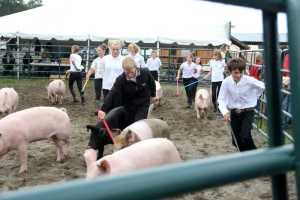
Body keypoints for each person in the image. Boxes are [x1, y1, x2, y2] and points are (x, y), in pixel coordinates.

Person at [86, 57, 156, 158]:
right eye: (126, 72)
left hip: (142, 104)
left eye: (131, 71)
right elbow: (112, 93)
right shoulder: (121, 79)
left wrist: (153, 95)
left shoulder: (145, 72)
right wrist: (103, 109)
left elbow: (152, 82)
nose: (129, 74)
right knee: (124, 125)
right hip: (128, 105)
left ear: (135, 68)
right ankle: (122, 147)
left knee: (137, 125)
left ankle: (137, 151)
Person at [218, 58, 265, 151]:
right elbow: (221, 99)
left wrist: (255, 96)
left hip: (248, 111)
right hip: (234, 112)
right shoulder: (226, 82)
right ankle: (246, 156)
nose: (238, 75)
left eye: (240, 72)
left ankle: (255, 155)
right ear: (230, 71)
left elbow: (262, 86)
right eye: (235, 72)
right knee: (235, 140)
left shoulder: (249, 80)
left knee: (245, 136)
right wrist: (225, 112)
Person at [86, 44, 107, 110]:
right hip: (97, 78)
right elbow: (92, 69)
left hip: (106, 79)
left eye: (99, 50)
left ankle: (105, 108)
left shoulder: (107, 59)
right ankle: (97, 109)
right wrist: (88, 74)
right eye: (97, 50)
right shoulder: (96, 60)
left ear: (104, 51)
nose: (98, 52)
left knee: (106, 94)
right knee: (97, 94)